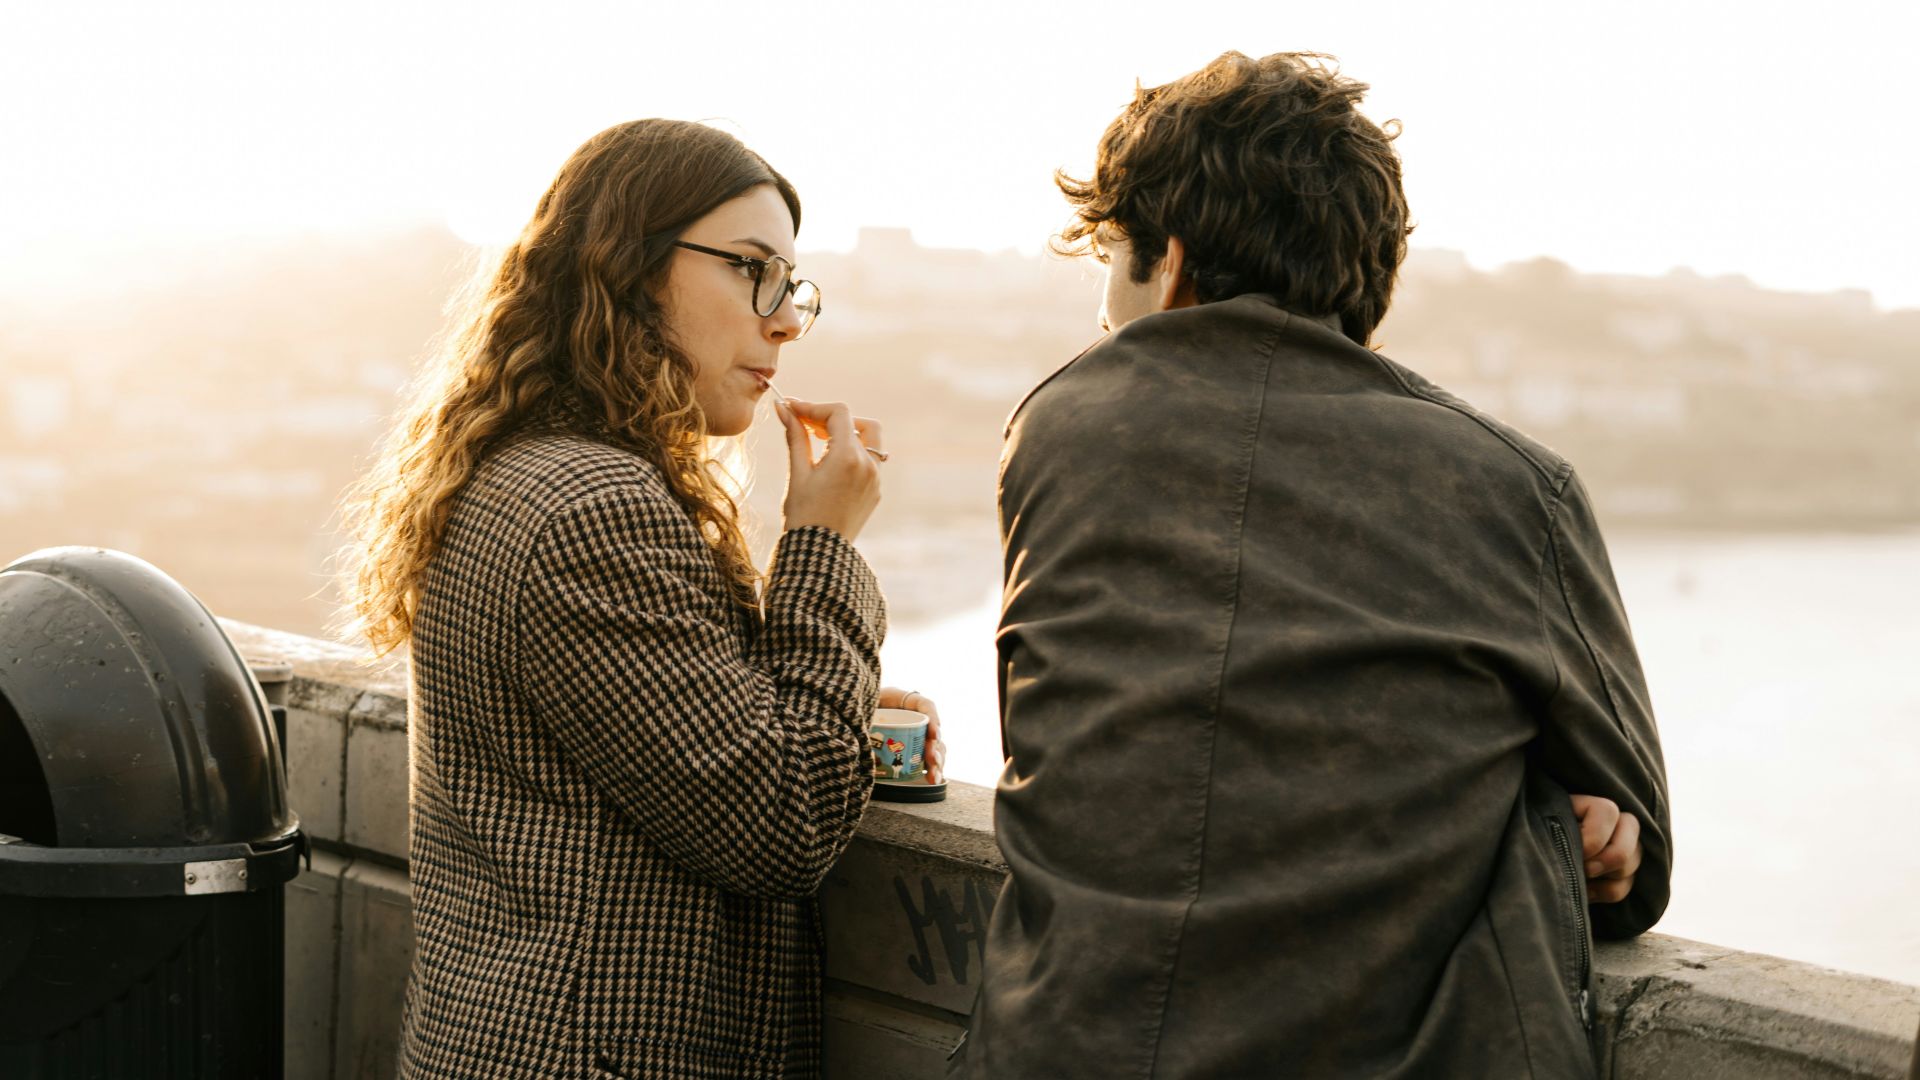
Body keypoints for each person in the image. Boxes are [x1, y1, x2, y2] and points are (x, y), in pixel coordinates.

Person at [960, 52, 1671, 1077]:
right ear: (1365, 278)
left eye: (1112, 261)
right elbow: (1640, 867)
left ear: (1168, 264)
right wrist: (1561, 821)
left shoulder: (1057, 428)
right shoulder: (1515, 485)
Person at [339, 118, 942, 1079]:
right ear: (629, 266)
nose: (783, 319)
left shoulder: (525, 471)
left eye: (792, 288)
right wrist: (821, 545)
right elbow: (780, 825)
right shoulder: (595, 508)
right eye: (752, 270)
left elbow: (649, 732)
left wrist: (825, 707)